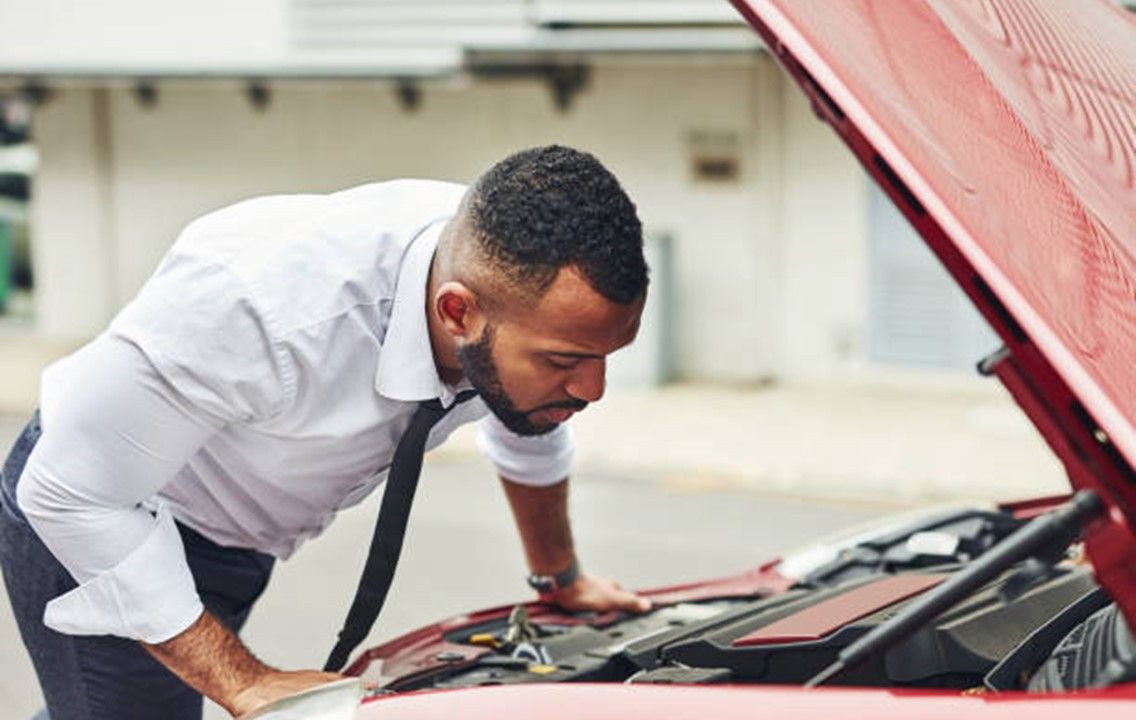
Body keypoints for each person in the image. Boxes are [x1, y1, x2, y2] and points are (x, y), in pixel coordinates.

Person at [0, 145, 653, 719]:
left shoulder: (507, 276)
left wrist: (558, 575)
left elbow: (529, 425)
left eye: (606, 358)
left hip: (233, 543)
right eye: (565, 361)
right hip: (106, 516)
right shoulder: (258, 309)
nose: (591, 390)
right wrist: (244, 682)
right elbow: (66, 492)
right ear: (456, 311)